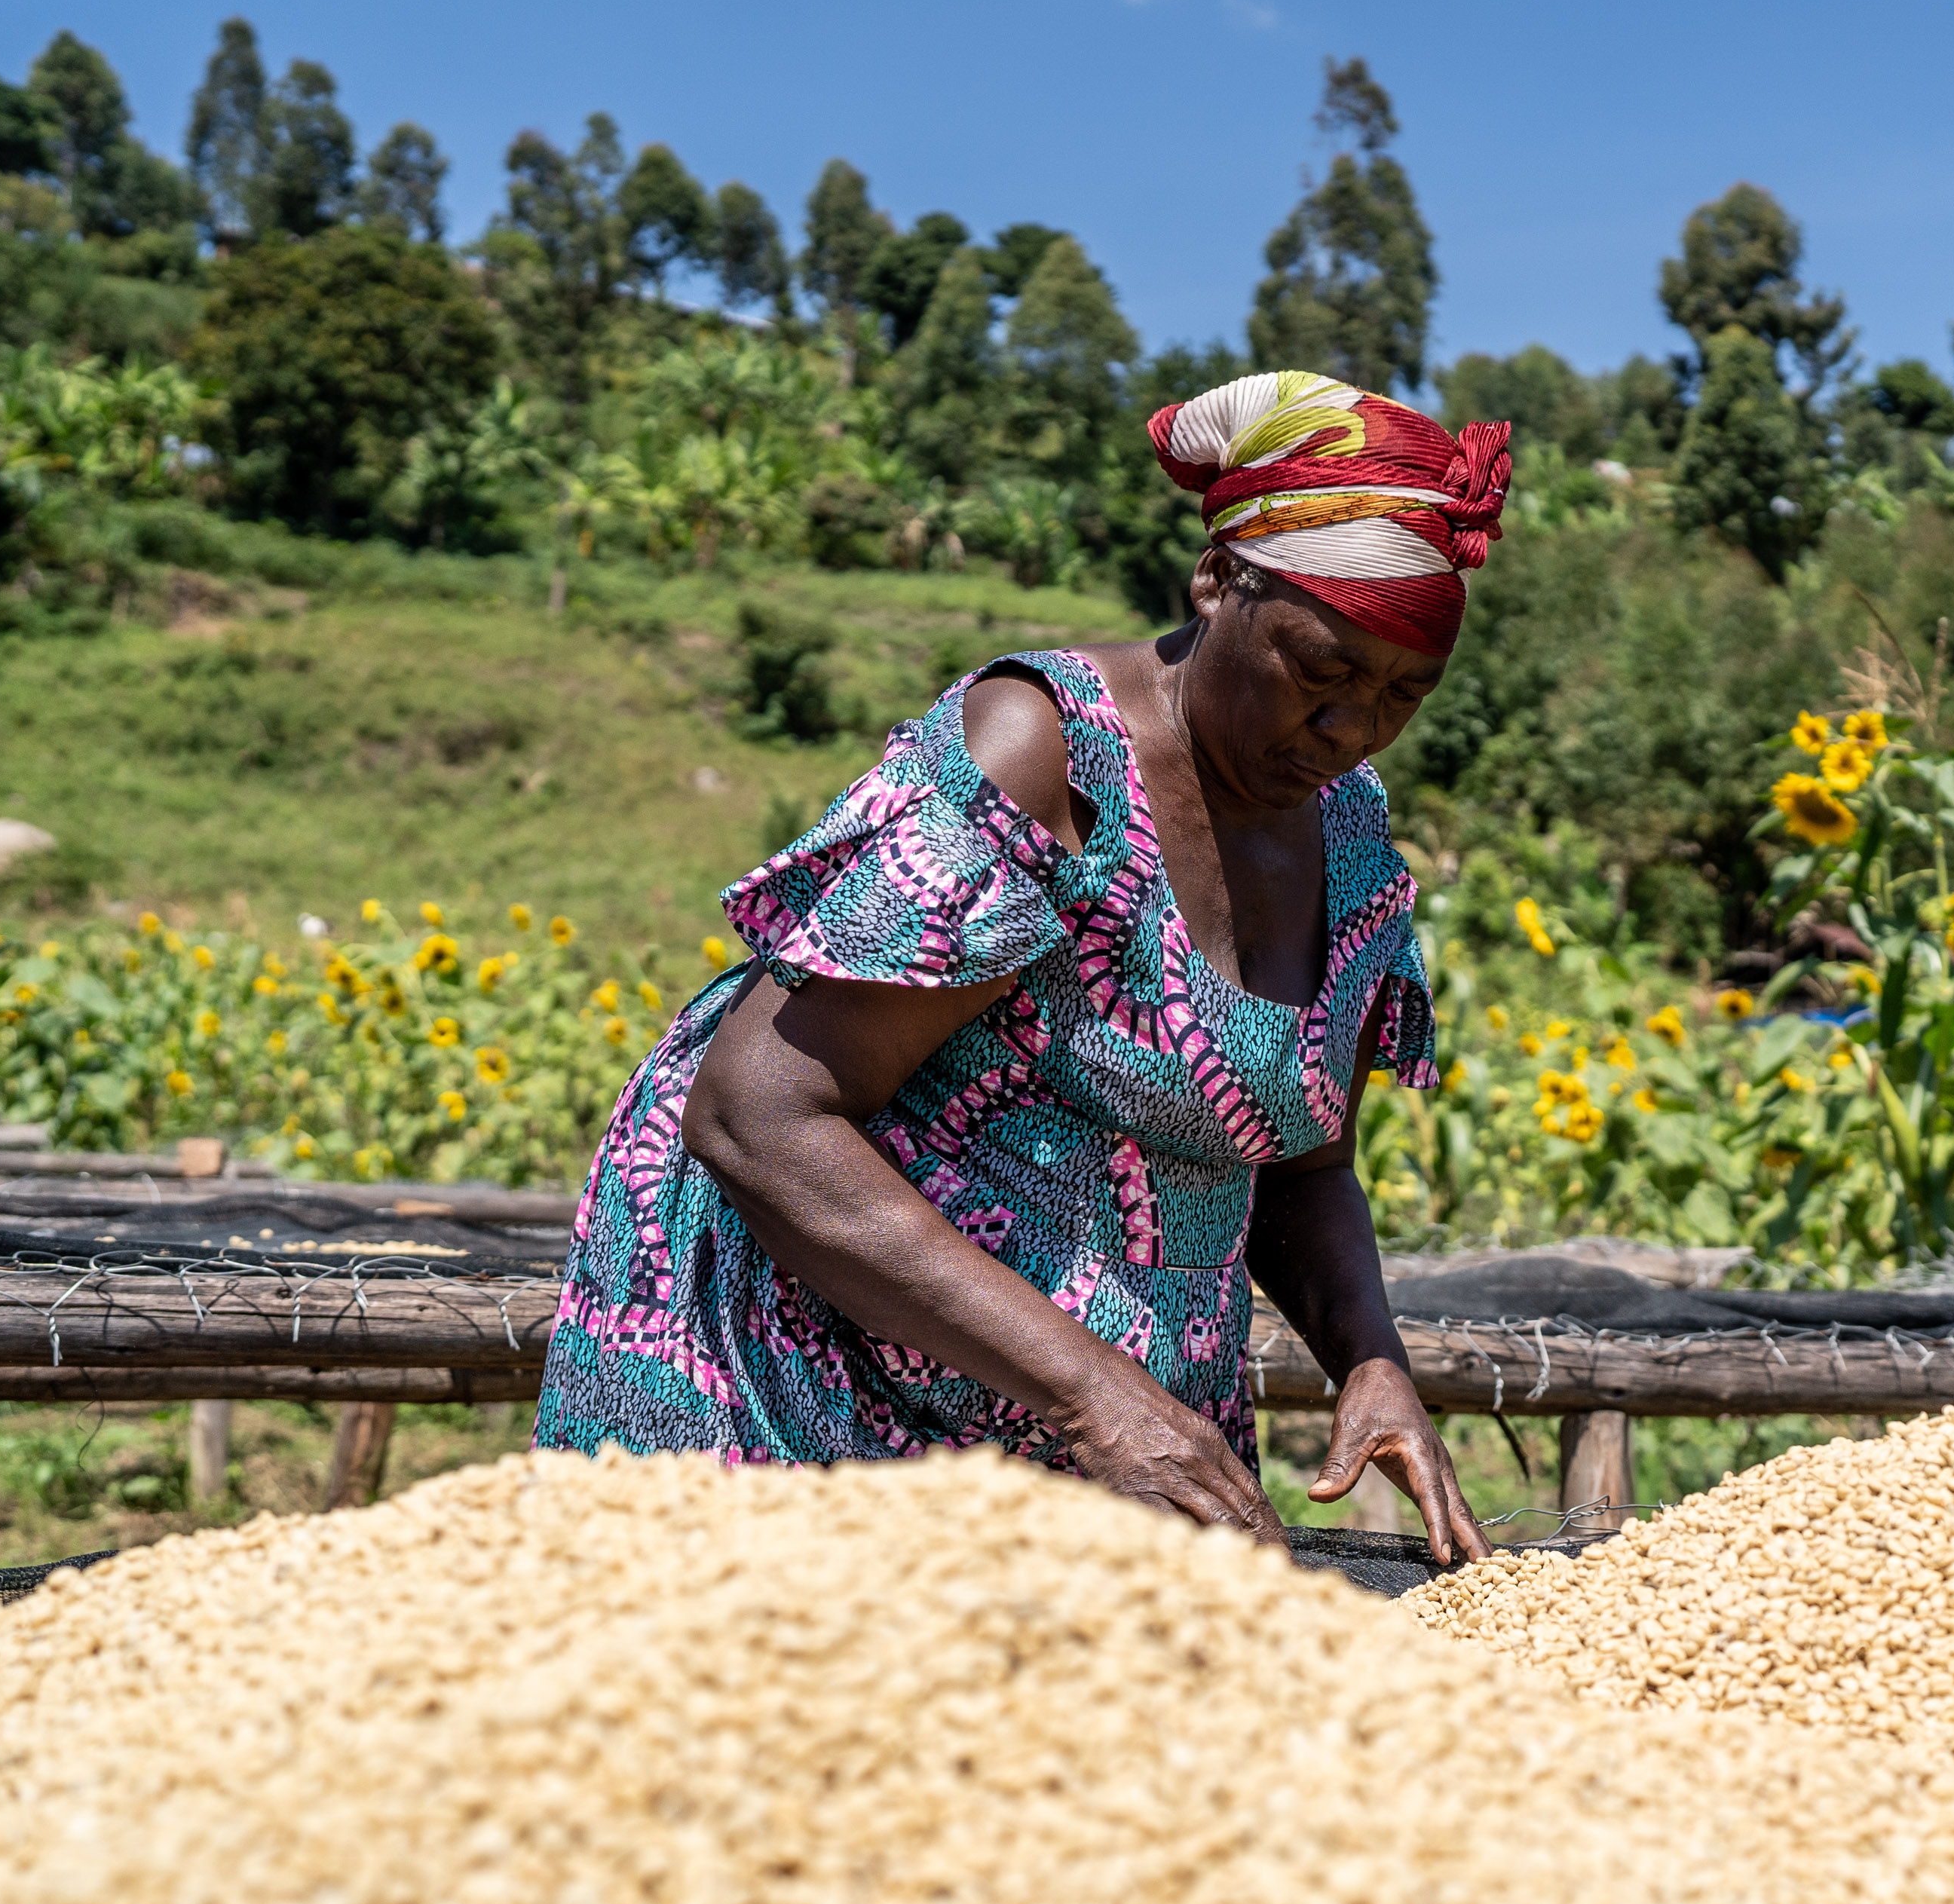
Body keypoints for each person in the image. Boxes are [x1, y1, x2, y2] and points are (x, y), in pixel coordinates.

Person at [536, 371, 1515, 1563]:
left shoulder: (1350, 840)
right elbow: (759, 1116)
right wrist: (1093, 1397)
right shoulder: (1048, 758)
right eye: (1319, 670)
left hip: (1115, 1431)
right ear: (1216, 583)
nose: (1354, 729)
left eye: (1403, 694)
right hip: (813, 1396)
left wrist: (1370, 1366)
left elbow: (1301, 1167)